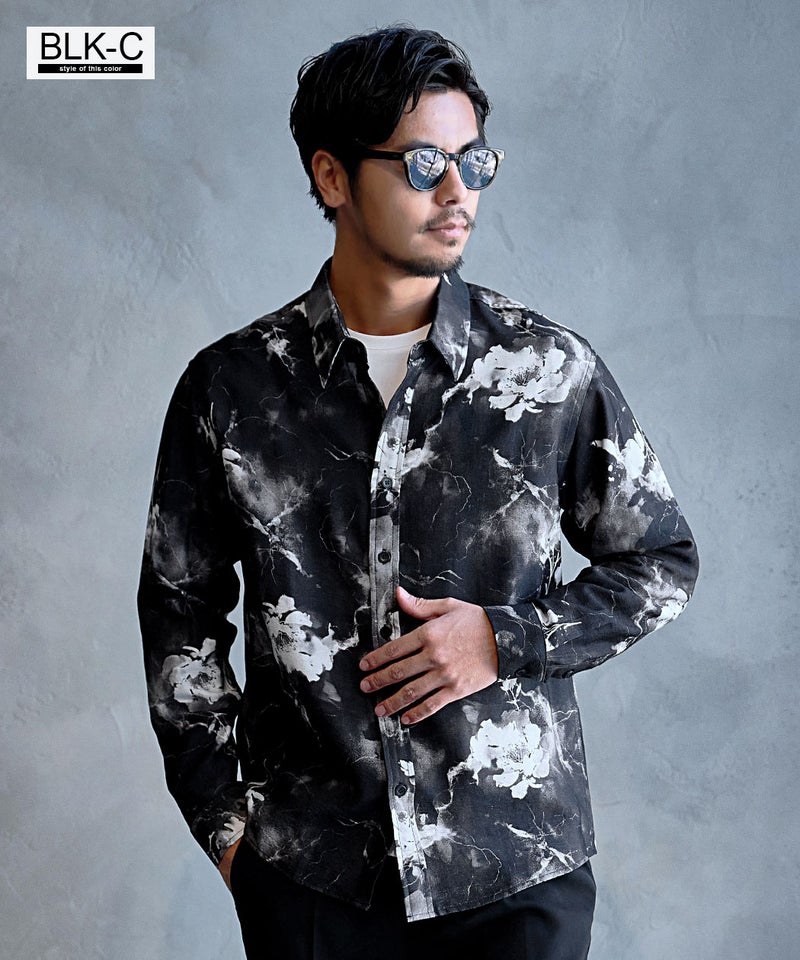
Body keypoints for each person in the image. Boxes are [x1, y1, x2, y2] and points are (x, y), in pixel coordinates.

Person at [138, 25, 699, 960]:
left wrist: (505, 639)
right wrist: (230, 833)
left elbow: (662, 563)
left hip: (517, 871)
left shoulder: (549, 372)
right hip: (315, 880)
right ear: (331, 176)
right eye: (425, 163)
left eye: (473, 161)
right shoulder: (230, 390)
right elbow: (178, 616)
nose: (457, 192)